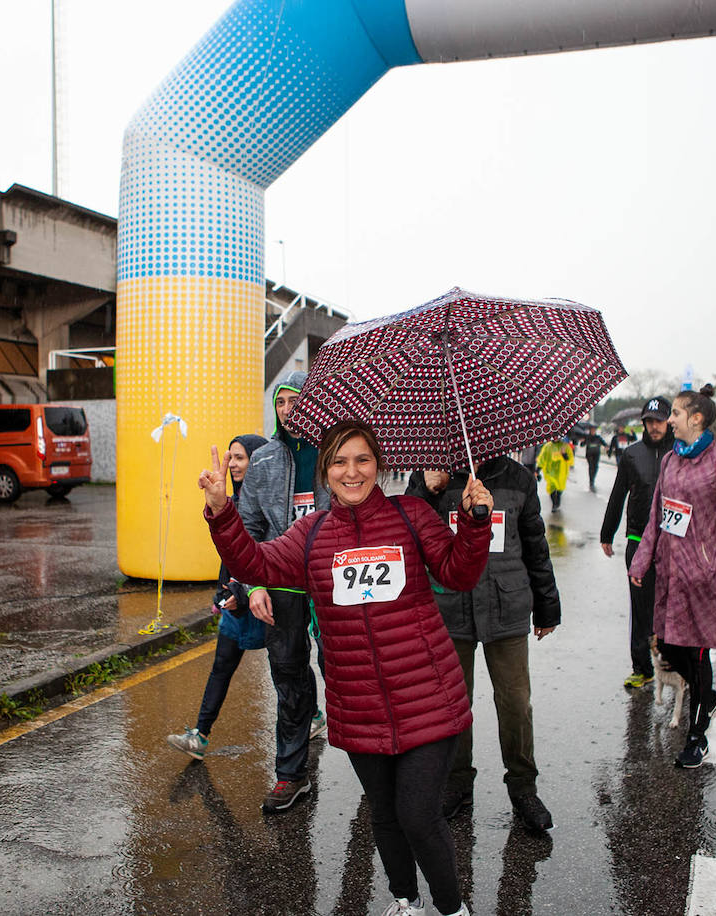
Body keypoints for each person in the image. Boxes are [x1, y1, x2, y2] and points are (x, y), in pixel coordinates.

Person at [201, 419, 493, 916]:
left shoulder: (412, 515)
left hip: (428, 698)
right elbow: (255, 564)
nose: (351, 471)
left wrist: (473, 523)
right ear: (326, 470)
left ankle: (452, 909)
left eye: (362, 459)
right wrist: (222, 512)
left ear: (378, 465)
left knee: (418, 815)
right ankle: (405, 901)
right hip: (357, 704)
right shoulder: (310, 535)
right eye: (338, 461)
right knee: (383, 813)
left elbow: (459, 573)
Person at [405, 455, 561, 834]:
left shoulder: (518, 478)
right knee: (453, 704)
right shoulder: (430, 473)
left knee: (515, 703)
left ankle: (523, 788)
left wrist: (547, 607)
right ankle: (457, 783)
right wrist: (426, 490)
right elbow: (407, 533)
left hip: (507, 607)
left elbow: (535, 544)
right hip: (449, 607)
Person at [629, 385, 716, 769]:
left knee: (697, 650)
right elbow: (657, 518)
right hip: (670, 573)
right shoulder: (670, 460)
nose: (670, 420)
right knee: (668, 648)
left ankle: (696, 736)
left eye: (677, 414)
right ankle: (710, 696)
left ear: (697, 419)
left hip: (704, 576)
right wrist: (641, 562)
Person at [238, 370, 330, 812]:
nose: (290, 411)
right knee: (289, 681)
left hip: (334, 583)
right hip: (281, 585)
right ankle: (291, 775)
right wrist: (253, 583)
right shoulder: (265, 460)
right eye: (282, 403)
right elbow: (249, 528)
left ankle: (379, 773)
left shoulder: (336, 453)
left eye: (298, 401)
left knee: (349, 677)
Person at [167, 433, 269, 760]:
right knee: (222, 665)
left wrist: (243, 590)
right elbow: (228, 557)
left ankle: (311, 715)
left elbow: (263, 551)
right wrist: (222, 591)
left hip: (267, 598)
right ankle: (200, 735)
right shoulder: (228, 498)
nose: (234, 464)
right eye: (231, 457)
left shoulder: (265, 499)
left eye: (240, 457)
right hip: (235, 602)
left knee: (288, 669)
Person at [600, 396, 675, 689]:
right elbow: (618, 495)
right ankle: (642, 668)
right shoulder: (631, 454)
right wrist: (607, 533)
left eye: (659, 420)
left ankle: (674, 665)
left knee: (670, 606)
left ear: (669, 421)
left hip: (672, 543)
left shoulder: (679, 453)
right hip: (638, 540)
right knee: (641, 606)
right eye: (649, 421)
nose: (654, 427)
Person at [536, 438, 573, 513]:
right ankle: (554, 504)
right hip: (550, 473)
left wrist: (564, 454)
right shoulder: (547, 446)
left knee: (560, 489)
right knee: (551, 489)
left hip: (561, 474)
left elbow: (571, 460)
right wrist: (537, 470)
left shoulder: (565, 446)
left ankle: (558, 500)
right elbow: (542, 459)